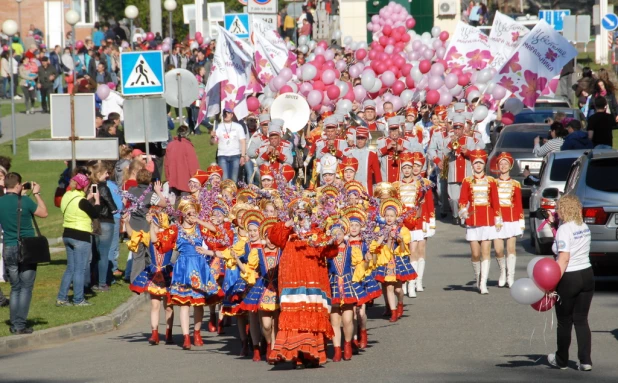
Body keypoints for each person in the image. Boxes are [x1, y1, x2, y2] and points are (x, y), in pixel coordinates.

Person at [547, 195, 594, 372]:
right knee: (581, 319)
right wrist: (554, 225)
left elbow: (564, 259)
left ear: (564, 209)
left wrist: (552, 284)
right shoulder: (583, 226)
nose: (557, 212)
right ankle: (585, 360)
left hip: (569, 277)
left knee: (564, 321)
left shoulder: (564, 229)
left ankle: (561, 360)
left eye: (558, 208)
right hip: (587, 274)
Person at [0, 173, 48, 334]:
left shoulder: (1, 202)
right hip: (26, 247)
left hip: (9, 247)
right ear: (19, 185)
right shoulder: (25, 201)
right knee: (26, 287)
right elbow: (44, 213)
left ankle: (14, 323)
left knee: (15, 287)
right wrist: (37, 194)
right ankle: (20, 324)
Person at [127, 208, 175, 345]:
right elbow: (133, 235)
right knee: (155, 305)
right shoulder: (149, 235)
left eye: (155, 220)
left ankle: (168, 332)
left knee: (168, 306)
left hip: (167, 273)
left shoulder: (169, 235)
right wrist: (126, 222)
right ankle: (154, 333)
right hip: (154, 273)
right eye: (152, 221)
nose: (152, 223)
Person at [458, 149, 502, 295]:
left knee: (486, 252)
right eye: (476, 163)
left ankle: (483, 283)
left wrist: (497, 218)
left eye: (480, 163)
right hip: (473, 220)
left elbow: (495, 201)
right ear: (472, 165)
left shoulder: (491, 181)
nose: (478, 166)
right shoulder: (466, 181)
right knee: (475, 254)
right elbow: (463, 200)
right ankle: (478, 278)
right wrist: (463, 210)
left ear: (484, 165)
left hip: (488, 220)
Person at [56, 174, 99, 307]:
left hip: (67, 233)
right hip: (80, 236)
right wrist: (96, 201)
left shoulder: (67, 195)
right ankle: (78, 299)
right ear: (85, 186)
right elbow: (95, 213)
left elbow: (75, 206)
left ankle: (61, 298)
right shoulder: (83, 201)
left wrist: (87, 198)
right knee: (80, 269)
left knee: (70, 268)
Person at [492, 152, 524, 288]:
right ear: (498, 166)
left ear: (510, 166)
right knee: (499, 250)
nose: (503, 166)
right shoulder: (492, 183)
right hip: (497, 219)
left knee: (511, 249)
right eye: (501, 164)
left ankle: (510, 276)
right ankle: (502, 273)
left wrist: (521, 222)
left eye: (506, 163)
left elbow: (518, 204)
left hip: (512, 219)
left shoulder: (515, 184)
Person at [90, 162, 118, 292]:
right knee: (104, 254)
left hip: (95, 222)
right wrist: (115, 210)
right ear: (99, 174)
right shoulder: (102, 187)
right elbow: (109, 201)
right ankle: (102, 283)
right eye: (106, 173)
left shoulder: (92, 187)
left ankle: (93, 280)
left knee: (96, 254)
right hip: (106, 221)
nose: (108, 175)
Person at [164, 125, 200, 196]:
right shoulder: (188, 146)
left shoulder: (170, 145)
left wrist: (168, 178)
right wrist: (196, 180)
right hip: (186, 182)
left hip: (173, 181)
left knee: (175, 203)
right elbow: (193, 166)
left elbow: (166, 165)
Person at [212, 108, 247, 182]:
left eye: (228, 113)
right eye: (225, 113)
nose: (226, 115)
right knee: (225, 179)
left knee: (234, 179)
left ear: (232, 115)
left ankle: (233, 193)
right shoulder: (219, 127)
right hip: (222, 156)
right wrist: (212, 136)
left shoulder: (238, 126)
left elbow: (243, 141)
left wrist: (243, 156)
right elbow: (213, 142)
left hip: (235, 155)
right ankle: (225, 193)